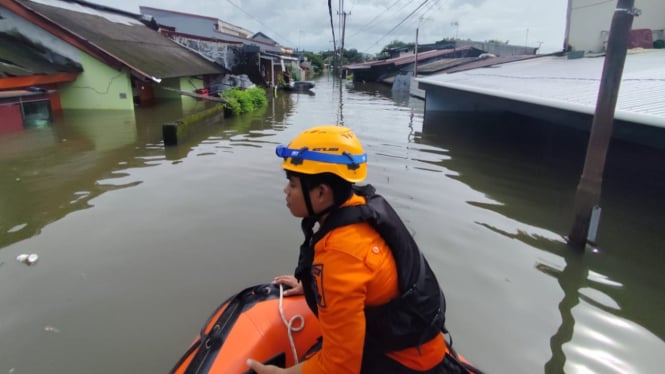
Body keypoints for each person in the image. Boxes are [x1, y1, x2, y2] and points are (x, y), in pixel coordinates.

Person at [247, 125, 472, 374]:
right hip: (414, 343)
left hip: (404, 365)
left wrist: (282, 373)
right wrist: (312, 286)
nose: (286, 191)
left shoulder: (341, 256)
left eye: (293, 184)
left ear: (322, 193)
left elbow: (340, 368)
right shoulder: (361, 207)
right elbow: (363, 282)